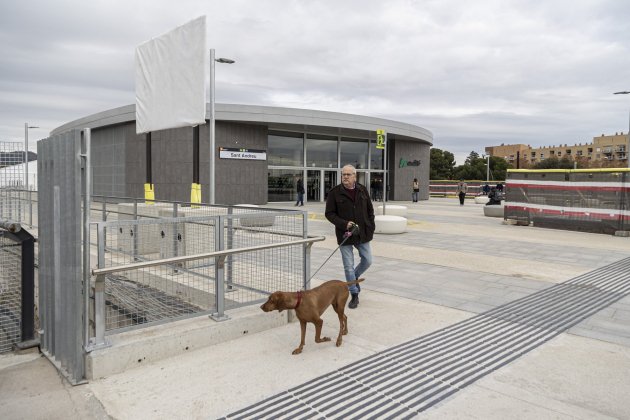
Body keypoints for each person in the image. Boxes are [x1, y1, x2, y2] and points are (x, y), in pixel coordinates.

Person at [325, 165, 375, 309]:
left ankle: (354, 279)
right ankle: (354, 294)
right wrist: (344, 224)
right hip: (344, 235)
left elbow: (370, 210)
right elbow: (329, 214)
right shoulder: (335, 193)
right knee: (348, 266)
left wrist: (371, 227)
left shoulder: (362, 190)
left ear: (355, 175)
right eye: (343, 174)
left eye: (348, 174)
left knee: (368, 260)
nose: (345, 177)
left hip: (362, 233)